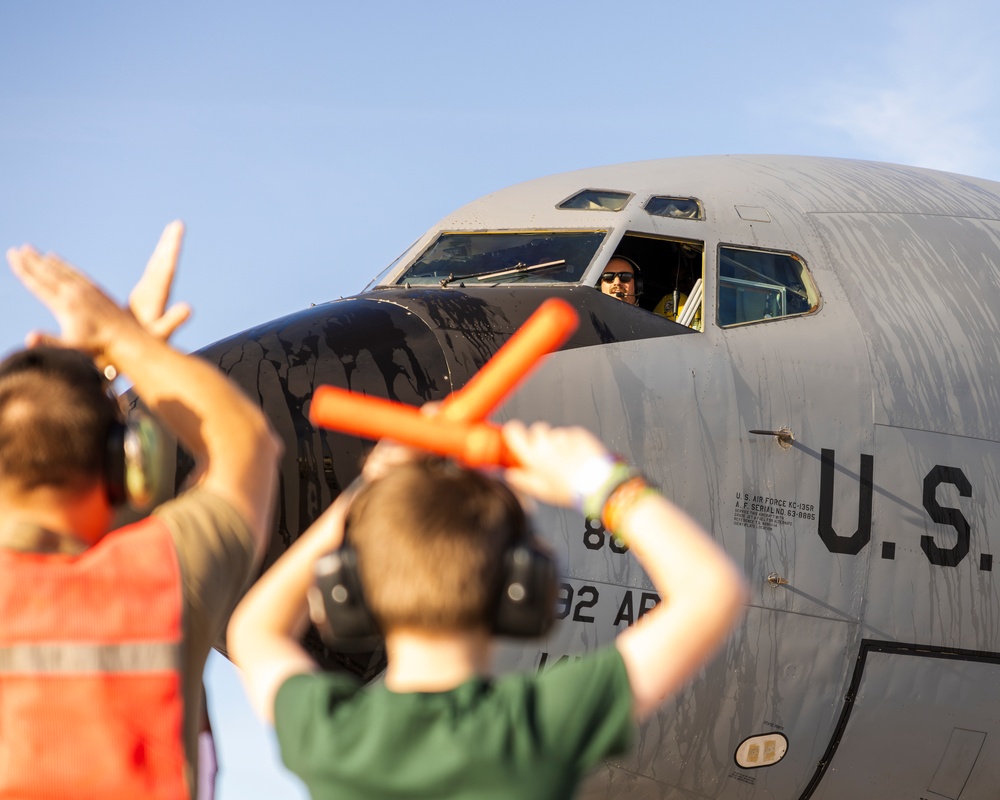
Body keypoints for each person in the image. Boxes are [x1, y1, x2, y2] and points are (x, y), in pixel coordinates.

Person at [228, 422, 747, 799]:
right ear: (521, 588)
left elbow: (254, 632)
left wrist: (367, 494)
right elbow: (711, 590)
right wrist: (602, 483)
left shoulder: (333, 736)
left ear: (349, 589)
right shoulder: (535, 727)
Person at [0, 223, 282, 799]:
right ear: (129, 469)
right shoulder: (160, 579)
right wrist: (123, 343)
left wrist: (107, 355)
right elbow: (247, 443)